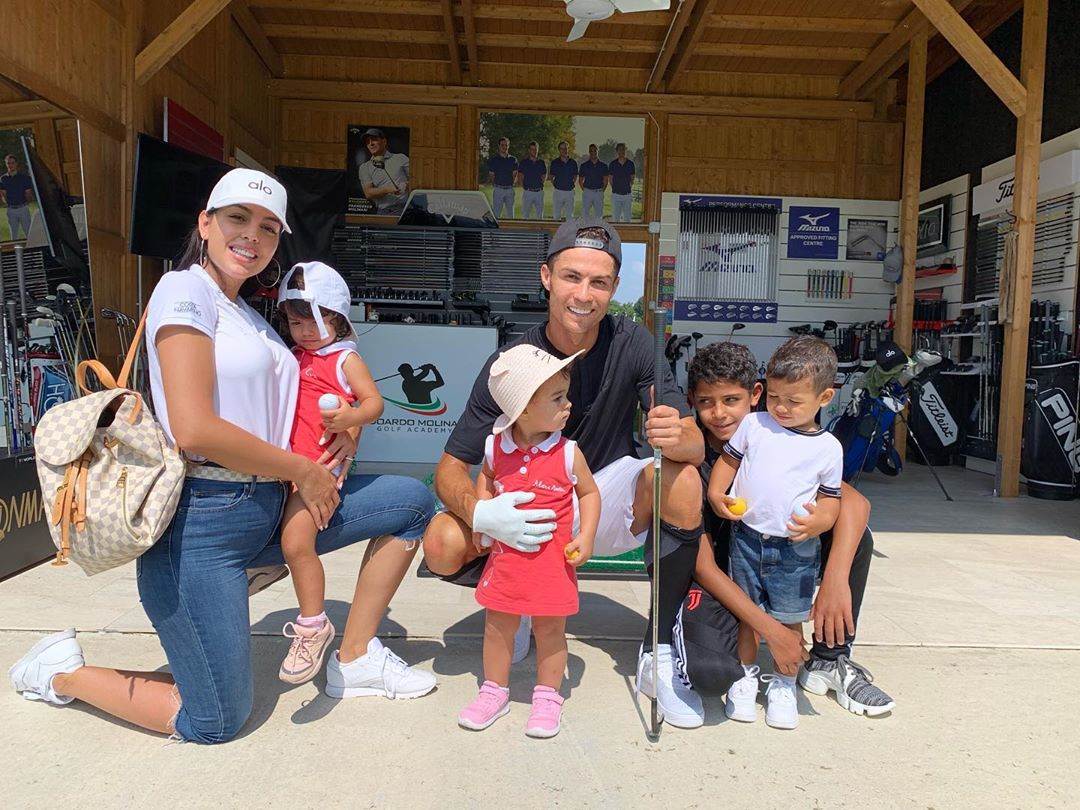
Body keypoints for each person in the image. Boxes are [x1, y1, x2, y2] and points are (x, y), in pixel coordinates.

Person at [9, 169, 437, 743]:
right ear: (206, 224)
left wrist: (346, 431)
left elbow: (290, 408)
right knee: (214, 720)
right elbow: (195, 429)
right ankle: (60, 671)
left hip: (272, 508)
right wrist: (304, 470)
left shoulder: (255, 318)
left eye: (268, 227)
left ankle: (355, 658)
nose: (252, 235)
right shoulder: (183, 290)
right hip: (204, 522)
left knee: (410, 501)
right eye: (238, 218)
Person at [422, 217, 710, 729]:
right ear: (546, 277)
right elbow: (450, 467)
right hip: (528, 511)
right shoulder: (511, 362)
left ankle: (660, 649)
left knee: (683, 479)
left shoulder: (634, 341)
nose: (584, 294)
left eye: (599, 282)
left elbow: (693, 441)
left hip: (601, 499)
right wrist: (483, 513)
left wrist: (677, 434)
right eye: (572, 277)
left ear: (614, 288)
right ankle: (516, 601)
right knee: (442, 541)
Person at [683, 341, 894, 721]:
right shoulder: (699, 458)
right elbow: (703, 566)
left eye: (732, 400)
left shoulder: (795, 439)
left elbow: (854, 502)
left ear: (754, 394)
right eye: (705, 402)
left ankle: (829, 658)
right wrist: (772, 630)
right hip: (722, 574)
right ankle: (746, 670)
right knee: (709, 674)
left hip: (787, 555)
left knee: (856, 538)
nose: (719, 413)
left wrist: (834, 581)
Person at [457, 345, 600, 738]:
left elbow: (589, 493)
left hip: (553, 563)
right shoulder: (494, 446)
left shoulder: (568, 452)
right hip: (506, 562)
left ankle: (548, 696)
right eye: (557, 398)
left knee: (550, 632)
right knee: (496, 627)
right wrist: (483, 514)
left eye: (565, 395)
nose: (568, 405)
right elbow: (486, 477)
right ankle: (493, 691)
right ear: (521, 410)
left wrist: (586, 535)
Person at [707, 336, 843, 730]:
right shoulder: (755, 424)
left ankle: (784, 682)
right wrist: (716, 492)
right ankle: (745, 676)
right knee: (747, 614)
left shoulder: (828, 448)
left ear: (825, 397)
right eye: (774, 396)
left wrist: (821, 521)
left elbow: (831, 499)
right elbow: (729, 462)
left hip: (796, 549)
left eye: (794, 401)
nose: (781, 407)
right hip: (747, 539)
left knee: (789, 617)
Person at [274, 261, 385, 685]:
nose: (304, 331)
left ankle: (312, 624)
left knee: (296, 543)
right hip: (283, 467)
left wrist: (351, 419)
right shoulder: (295, 355)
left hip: (317, 470)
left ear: (337, 319)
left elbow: (374, 402)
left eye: (314, 322)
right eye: (295, 322)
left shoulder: (345, 358)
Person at [357, 128, 410, 216]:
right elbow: (368, 193)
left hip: (405, 208)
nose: (371, 143)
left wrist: (406, 185)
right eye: (367, 141)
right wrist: (388, 189)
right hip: (383, 211)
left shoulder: (401, 158)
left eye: (374, 139)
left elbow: (416, 180)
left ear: (384, 141)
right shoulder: (364, 167)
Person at [0, 154, 34, 240]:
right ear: (6, 164)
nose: (10, 165)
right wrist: (8, 203)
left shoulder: (24, 178)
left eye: (12, 163)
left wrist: (25, 203)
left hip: (23, 209)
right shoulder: (3, 179)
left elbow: (28, 193)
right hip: (11, 210)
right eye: (8, 163)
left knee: (29, 234)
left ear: (16, 164)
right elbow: (3, 195)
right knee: (14, 236)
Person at [488, 137, 517, 220]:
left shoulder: (513, 159)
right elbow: (492, 175)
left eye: (506, 145)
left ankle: (510, 229)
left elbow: (514, 174)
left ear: (508, 146)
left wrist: (511, 184)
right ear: (499, 146)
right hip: (498, 190)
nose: (504, 147)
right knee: (496, 215)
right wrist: (496, 184)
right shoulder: (494, 160)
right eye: (502, 145)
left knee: (510, 215)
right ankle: (496, 229)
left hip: (509, 190)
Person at [548, 141, 578, 220]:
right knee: (556, 215)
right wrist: (556, 185)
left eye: (566, 148)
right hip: (558, 192)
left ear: (568, 149)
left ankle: (569, 229)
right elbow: (551, 176)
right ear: (559, 150)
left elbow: (575, 176)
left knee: (569, 216)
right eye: (562, 148)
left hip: (570, 192)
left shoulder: (573, 162)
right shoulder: (555, 162)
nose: (564, 150)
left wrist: (571, 184)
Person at [517, 141, 547, 220]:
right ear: (529, 150)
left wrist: (539, 184)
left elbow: (544, 175)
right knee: (525, 216)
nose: (534, 151)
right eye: (532, 149)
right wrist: (525, 187)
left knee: (539, 216)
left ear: (538, 150)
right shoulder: (524, 162)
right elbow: (520, 176)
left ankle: (539, 229)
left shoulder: (541, 162)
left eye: (535, 149)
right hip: (528, 192)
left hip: (539, 192)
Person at [578, 144, 608, 219]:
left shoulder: (603, 166)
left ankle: (597, 227)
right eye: (591, 151)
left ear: (597, 151)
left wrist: (601, 191)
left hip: (599, 192)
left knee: (599, 215)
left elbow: (605, 180)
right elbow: (580, 180)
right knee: (585, 214)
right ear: (589, 152)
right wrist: (585, 190)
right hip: (587, 192)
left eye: (595, 150)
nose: (593, 152)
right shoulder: (584, 165)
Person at [608, 143, 635, 223]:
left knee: (627, 219)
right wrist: (616, 188)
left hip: (627, 195)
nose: (621, 151)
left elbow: (632, 178)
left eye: (623, 149)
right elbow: (610, 179)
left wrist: (627, 187)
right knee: (616, 219)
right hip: (616, 195)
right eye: (619, 149)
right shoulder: (612, 164)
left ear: (625, 150)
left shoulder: (630, 164)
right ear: (617, 151)